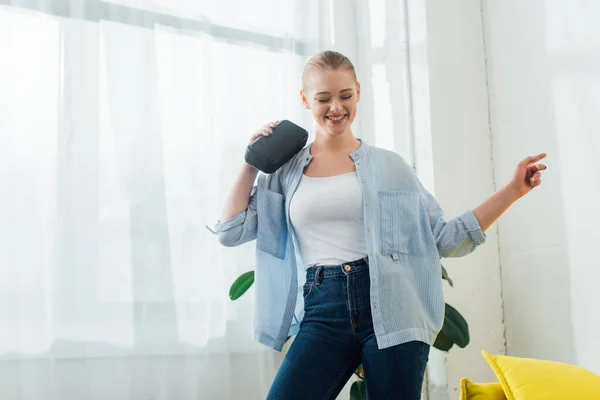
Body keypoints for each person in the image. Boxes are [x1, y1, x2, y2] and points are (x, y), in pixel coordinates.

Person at [207, 50, 547, 399]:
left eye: (345, 95)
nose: (336, 107)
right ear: (305, 99)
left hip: (394, 309)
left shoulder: (391, 167)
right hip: (323, 310)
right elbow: (231, 232)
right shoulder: (284, 172)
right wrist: (252, 161)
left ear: (358, 91)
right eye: (323, 98)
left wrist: (513, 190)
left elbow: (446, 239)